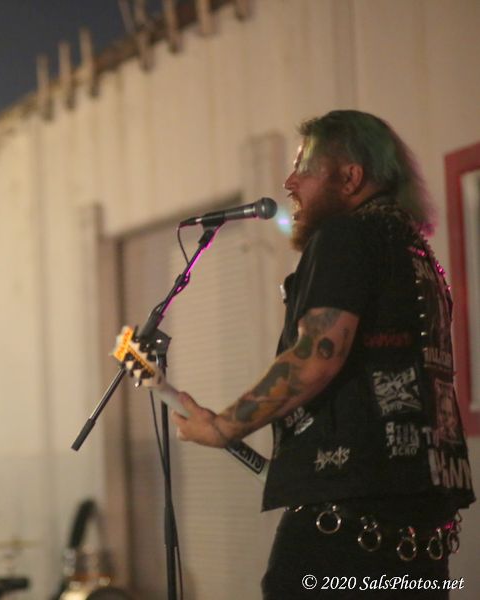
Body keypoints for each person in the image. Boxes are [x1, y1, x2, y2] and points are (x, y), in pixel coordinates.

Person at [168, 110, 475, 598]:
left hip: (346, 528)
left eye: (304, 168)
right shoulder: (417, 253)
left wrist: (224, 426)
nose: (290, 182)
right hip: (421, 532)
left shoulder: (346, 236)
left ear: (350, 177)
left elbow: (317, 356)